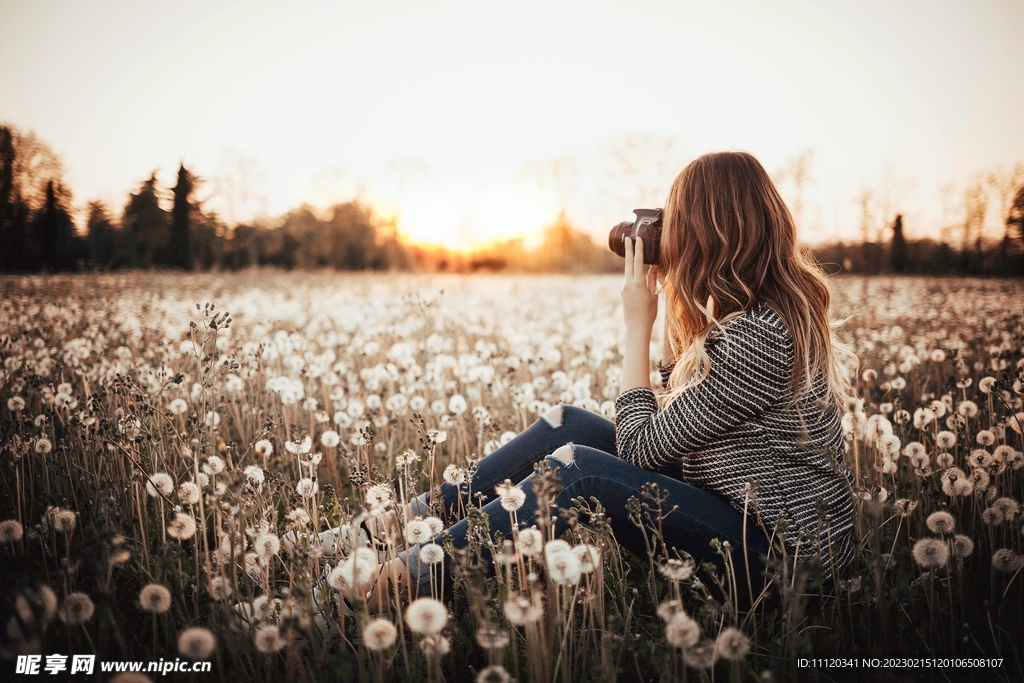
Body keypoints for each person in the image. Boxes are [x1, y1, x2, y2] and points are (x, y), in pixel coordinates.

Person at [350, 151, 855, 612]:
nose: (669, 235)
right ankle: (392, 526)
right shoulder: (760, 315)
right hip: (741, 511)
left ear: (707, 233)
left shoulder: (760, 338)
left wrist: (638, 324)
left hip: (783, 563)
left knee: (581, 470)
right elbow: (676, 396)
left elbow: (639, 448)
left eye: (678, 222)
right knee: (569, 425)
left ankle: (397, 585)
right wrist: (672, 297)